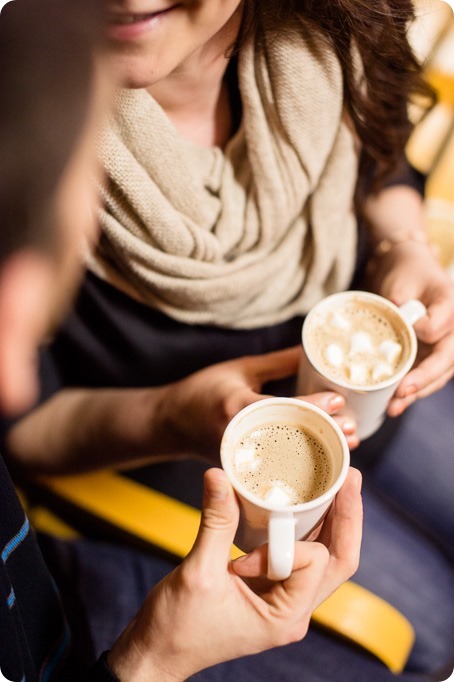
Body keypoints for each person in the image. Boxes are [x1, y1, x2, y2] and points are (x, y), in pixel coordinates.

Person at [2, 0, 453, 678]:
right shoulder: (32, 118)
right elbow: (23, 426)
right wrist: (170, 415)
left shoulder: (332, 28)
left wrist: (403, 244)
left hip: (379, 383)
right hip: (200, 462)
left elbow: (384, 152)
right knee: (436, 637)